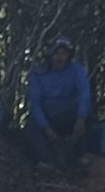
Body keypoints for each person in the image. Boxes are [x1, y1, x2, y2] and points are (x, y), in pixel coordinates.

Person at [25, 36, 98, 167]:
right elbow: (35, 104)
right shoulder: (37, 73)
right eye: (56, 53)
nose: (60, 57)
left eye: (63, 53)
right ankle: (47, 159)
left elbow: (84, 93)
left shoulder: (76, 70)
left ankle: (79, 155)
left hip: (69, 116)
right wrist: (46, 127)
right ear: (49, 54)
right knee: (32, 125)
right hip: (48, 118)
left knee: (88, 113)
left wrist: (80, 118)